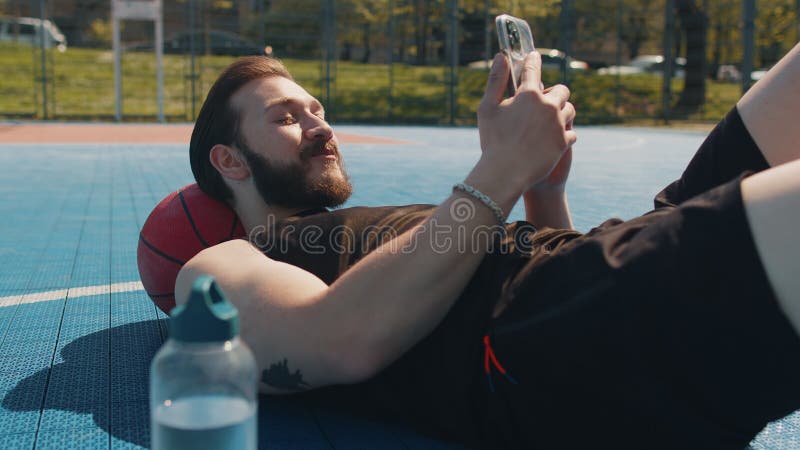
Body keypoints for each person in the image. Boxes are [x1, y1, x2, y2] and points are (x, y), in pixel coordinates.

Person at [175, 43, 800, 449]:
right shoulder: (225, 262)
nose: (321, 125)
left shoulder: (380, 226)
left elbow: (551, 267)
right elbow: (333, 341)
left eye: (317, 109)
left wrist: (538, 189)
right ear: (229, 160)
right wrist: (499, 171)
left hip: (595, 281)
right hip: (569, 344)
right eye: (288, 118)